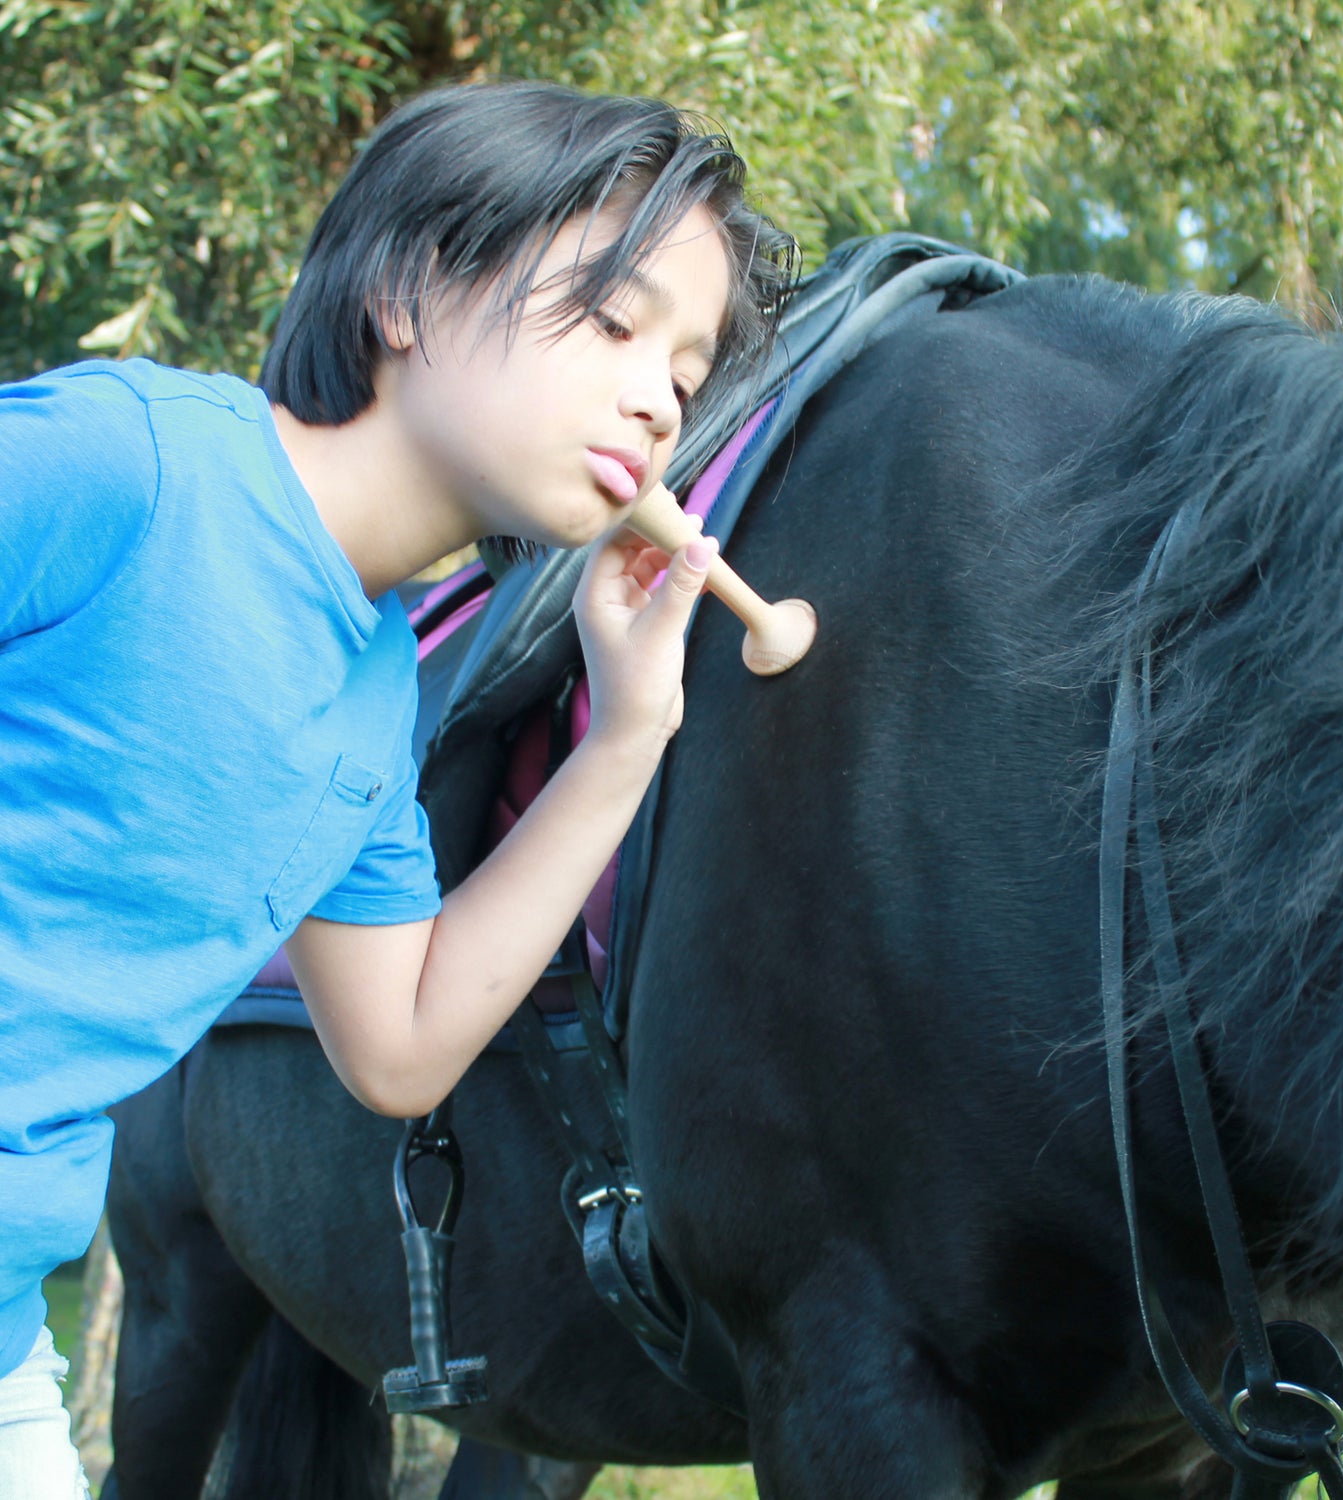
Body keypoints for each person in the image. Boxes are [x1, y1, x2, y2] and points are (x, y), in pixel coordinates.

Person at [0, 79, 795, 1494]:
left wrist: (627, 733)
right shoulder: (128, 464)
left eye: (682, 378)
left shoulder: (371, 696)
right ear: (412, 291)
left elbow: (405, 1046)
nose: (652, 398)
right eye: (612, 322)